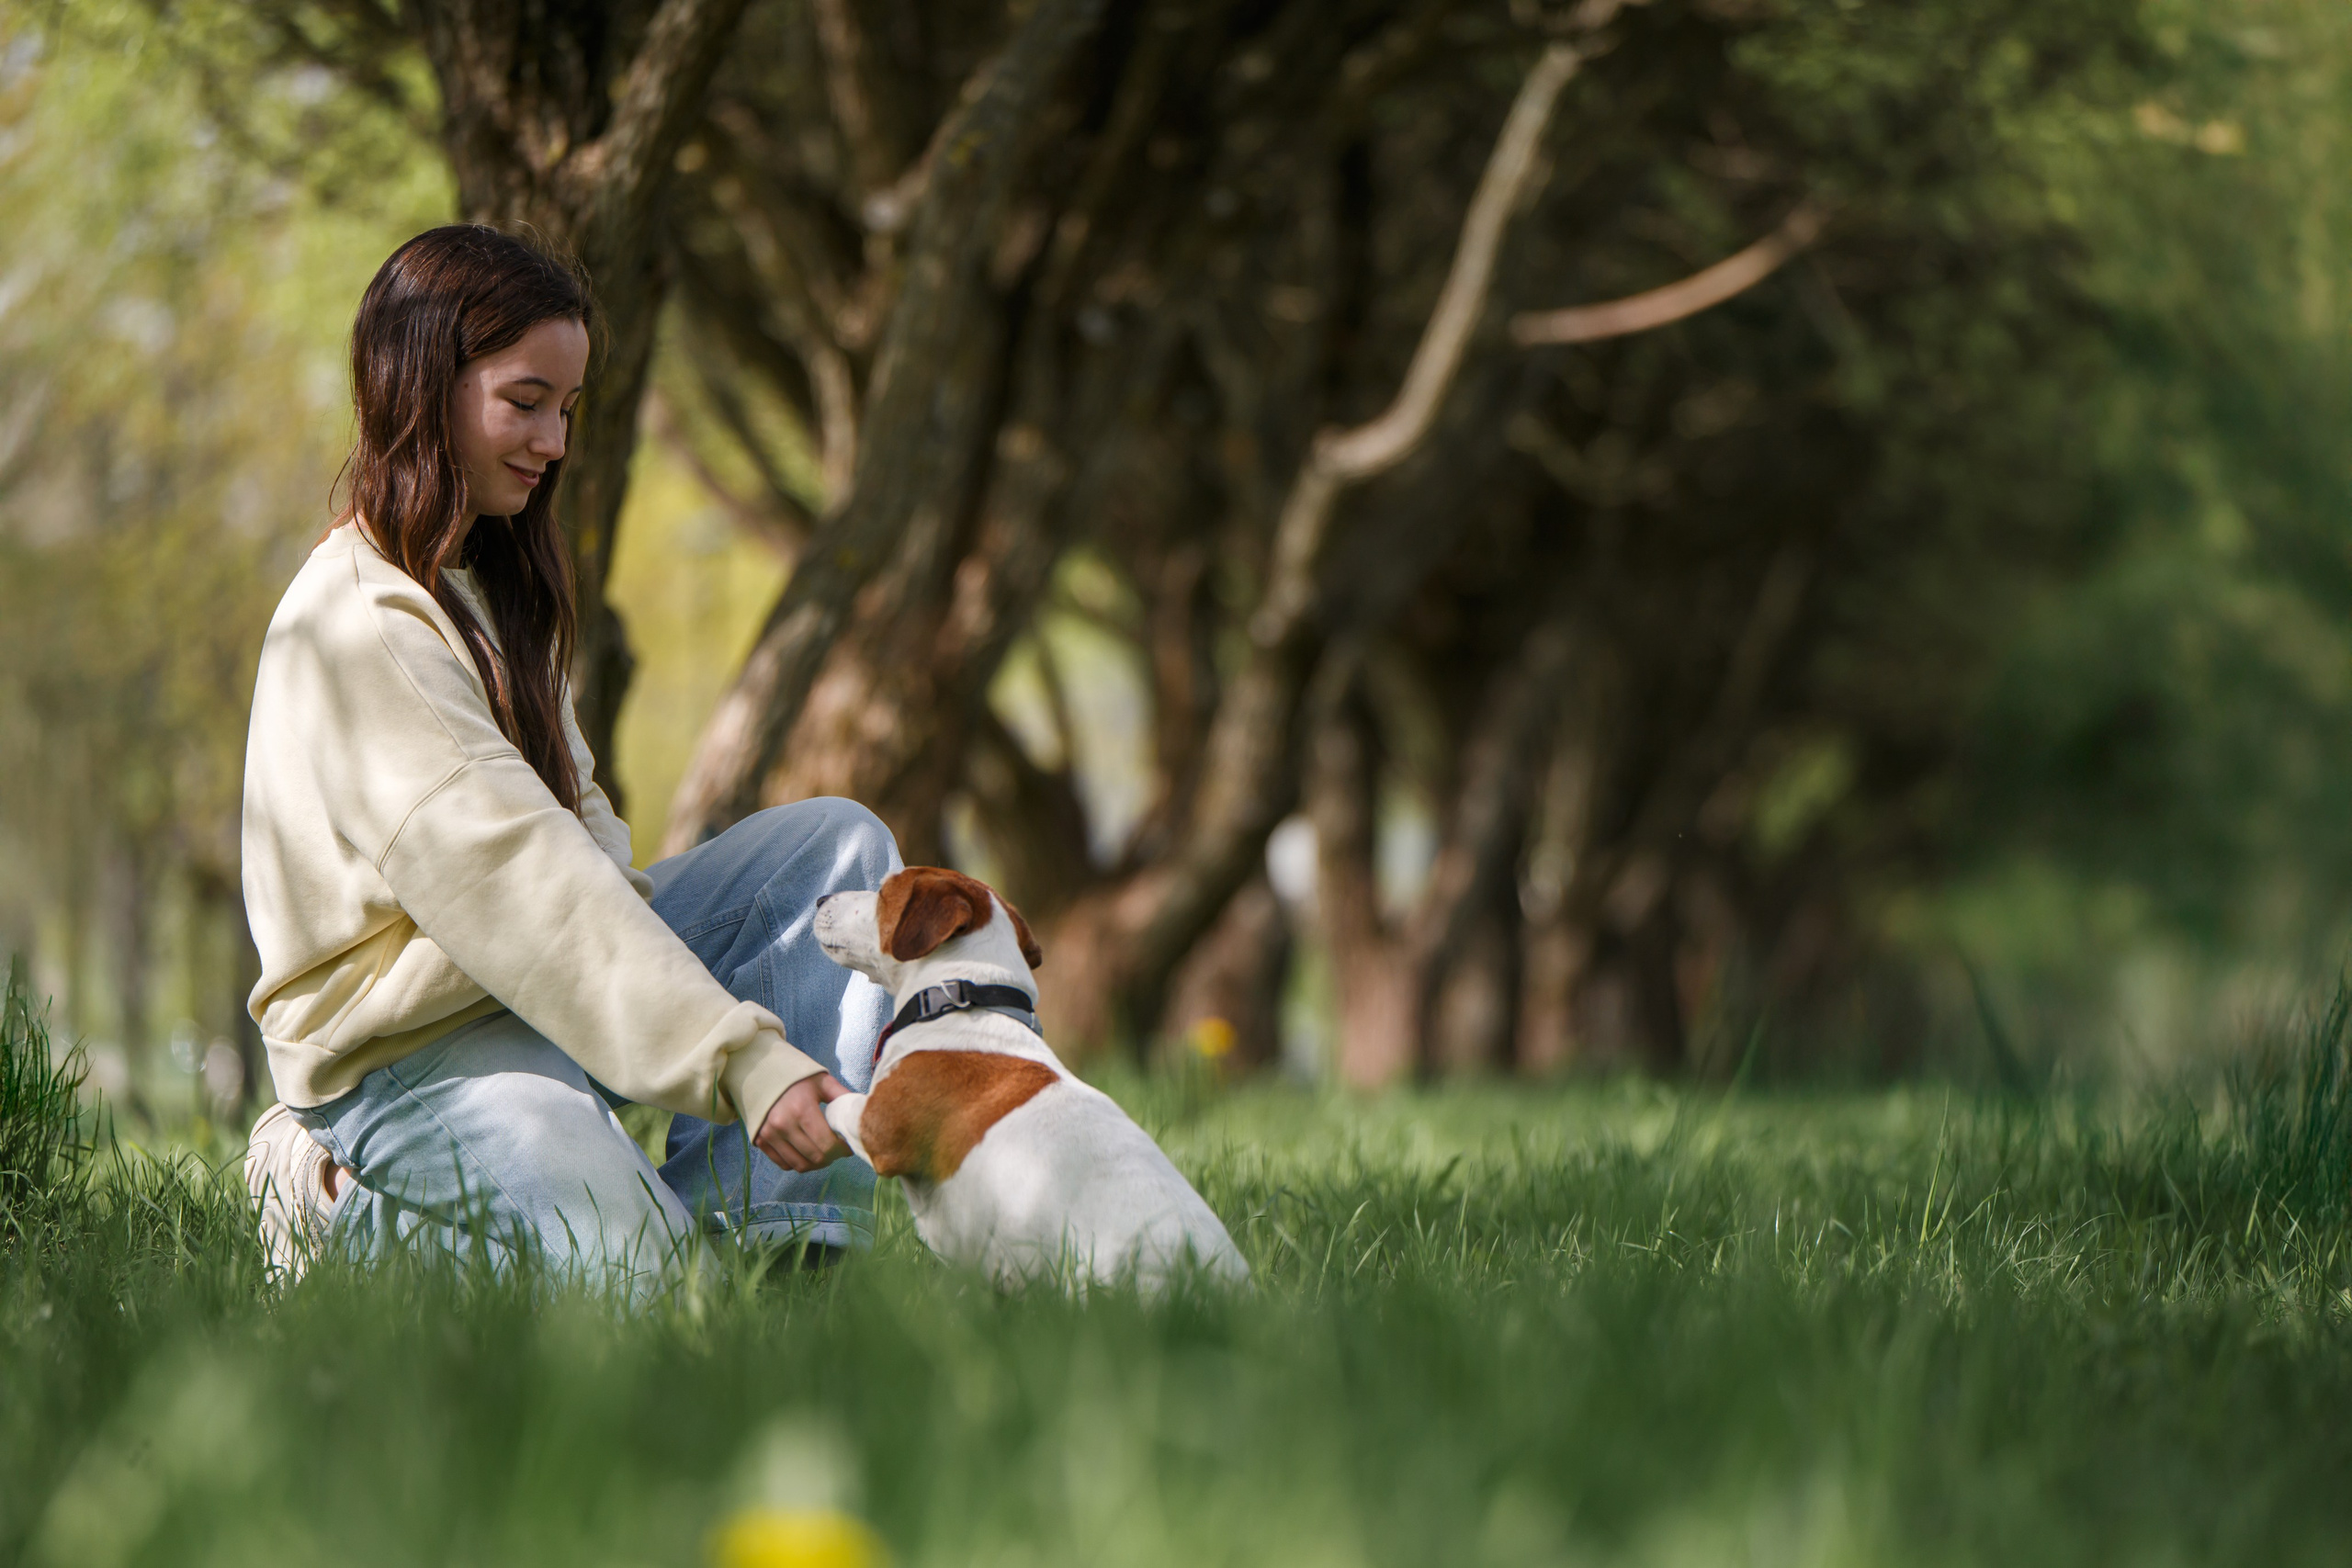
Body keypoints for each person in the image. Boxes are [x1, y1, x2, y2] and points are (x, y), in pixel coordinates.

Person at [239, 224, 895, 1288]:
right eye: (525, 401)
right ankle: (328, 1196)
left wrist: (663, 1015)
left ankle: (790, 1259)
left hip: (534, 992)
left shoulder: (479, 588)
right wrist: (738, 1061)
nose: (554, 441)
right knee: (651, 1289)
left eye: (568, 410)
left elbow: (583, 839)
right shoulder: (361, 630)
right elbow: (521, 884)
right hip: (413, 1060)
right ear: (422, 385)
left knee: (831, 850)